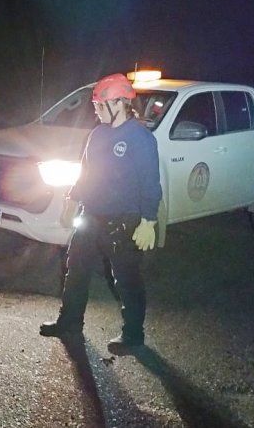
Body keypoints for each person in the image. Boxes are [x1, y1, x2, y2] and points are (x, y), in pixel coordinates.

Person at [40, 72, 162, 355]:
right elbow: (87, 172)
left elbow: (151, 183)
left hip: (123, 222)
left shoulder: (140, 138)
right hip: (90, 216)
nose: (94, 109)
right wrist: (73, 199)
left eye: (98, 104)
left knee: (126, 279)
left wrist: (149, 221)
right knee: (76, 271)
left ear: (118, 103)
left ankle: (133, 335)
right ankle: (70, 322)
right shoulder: (97, 134)